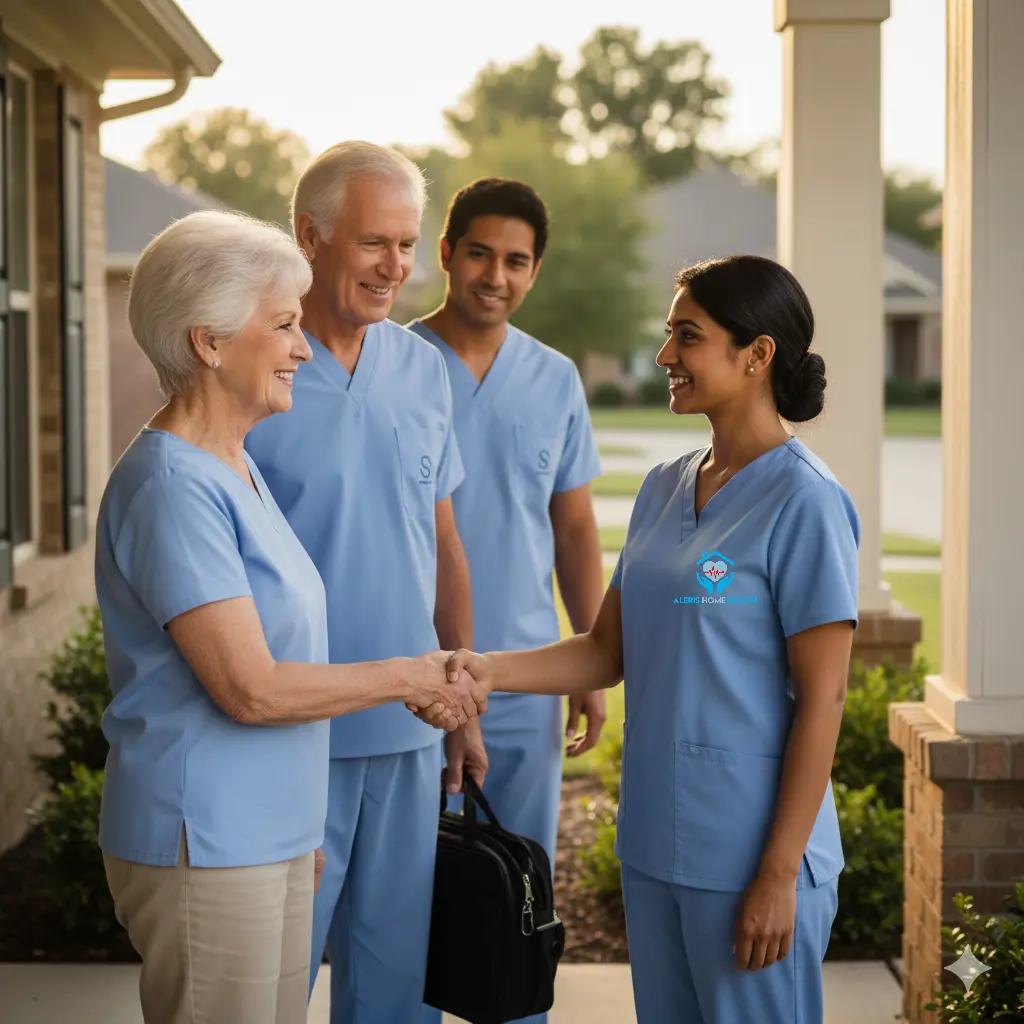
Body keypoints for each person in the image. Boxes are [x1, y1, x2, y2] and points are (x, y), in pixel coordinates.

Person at [438, 255, 859, 1024]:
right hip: (657, 847)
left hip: (748, 859)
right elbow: (605, 651)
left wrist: (777, 873)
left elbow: (824, 696)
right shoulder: (665, 486)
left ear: (757, 354)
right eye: (669, 334)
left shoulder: (807, 501)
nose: (666, 356)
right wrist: (477, 670)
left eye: (687, 337)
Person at [95, 210, 482, 1024]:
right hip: (205, 842)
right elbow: (251, 688)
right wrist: (413, 673)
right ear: (209, 341)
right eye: (283, 325)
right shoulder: (172, 487)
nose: (303, 347)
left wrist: (296, 829)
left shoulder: (232, 465)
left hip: (263, 837)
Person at [244, 142, 483, 1024]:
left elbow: (443, 545)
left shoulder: (423, 369)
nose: (396, 268)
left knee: (393, 992)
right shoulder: (252, 366)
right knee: (271, 984)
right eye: (374, 243)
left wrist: (462, 700)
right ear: (310, 237)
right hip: (289, 740)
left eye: (408, 246)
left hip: (413, 729)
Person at [408, 178, 605, 1024]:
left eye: (516, 261)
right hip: (407, 679)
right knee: (404, 900)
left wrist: (593, 659)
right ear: (446, 252)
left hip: (524, 678)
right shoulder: (391, 365)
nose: (496, 274)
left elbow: (575, 531)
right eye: (480, 252)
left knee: (516, 895)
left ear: (534, 273)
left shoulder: (555, 378)